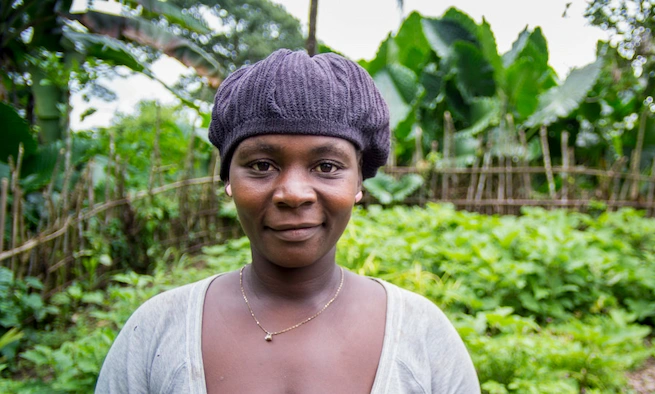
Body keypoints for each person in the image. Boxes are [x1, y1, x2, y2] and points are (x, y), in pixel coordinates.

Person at [95, 49, 480, 393]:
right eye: (262, 165)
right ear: (228, 179)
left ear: (359, 182)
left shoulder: (422, 335)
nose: (293, 193)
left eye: (327, 166)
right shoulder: (157, 331)